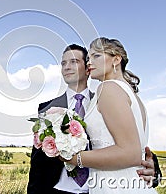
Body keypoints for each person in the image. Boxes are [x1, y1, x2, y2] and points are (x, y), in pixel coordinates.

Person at [27, 43, 160, 194]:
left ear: (87, 68)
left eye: (74, 62)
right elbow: (38, 162)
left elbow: (131, 144)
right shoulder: (47, 108)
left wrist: (154, 170)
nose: (67, 67)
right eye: (63, 63)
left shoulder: (108, 96)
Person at [64, 37, 158, 193]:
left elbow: (130, 153)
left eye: (96, 56)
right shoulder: (133, 95)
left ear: (116, 59)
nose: (89, 62)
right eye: (88, 58)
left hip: (114, 185)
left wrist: (73, 158)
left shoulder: (108, 88)